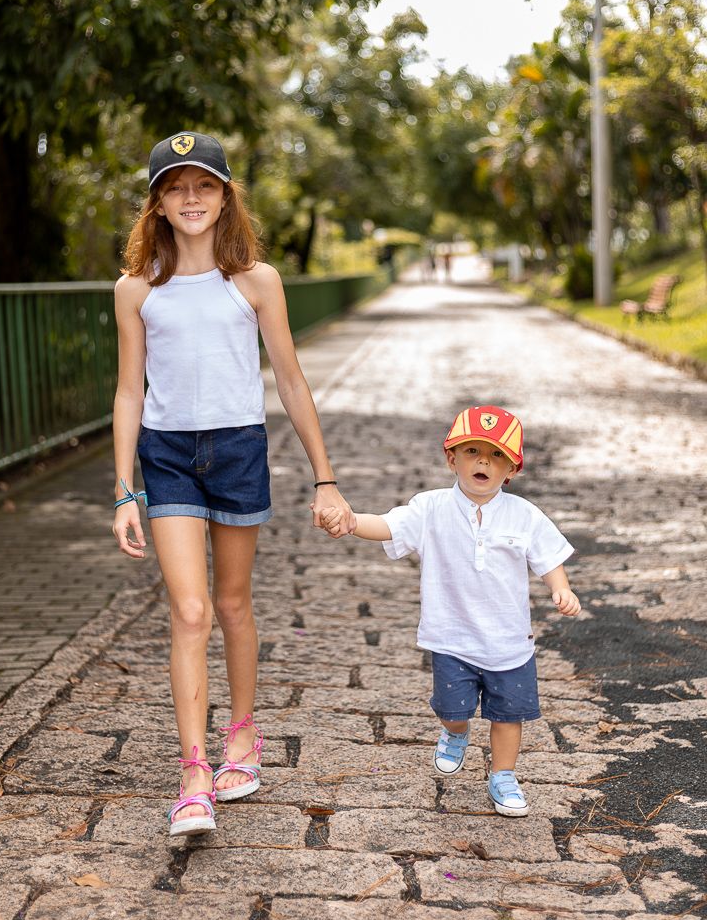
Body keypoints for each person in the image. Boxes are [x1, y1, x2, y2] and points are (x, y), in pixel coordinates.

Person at [112, 131, 354, 837]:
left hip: (240, 447)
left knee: (232, 603)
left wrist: (326, 478)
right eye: (176, 187)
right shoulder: (136, 290)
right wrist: (123, 488)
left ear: (224, 196)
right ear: (158, 201)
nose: (191, 198)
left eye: (205, 186)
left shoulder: (257, 281)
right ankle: (193, 776)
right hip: (167, 455)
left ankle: (241, 740)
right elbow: (130, 391)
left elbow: (289, 377)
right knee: (190, 612)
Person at [318, 405, 580, 818]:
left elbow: (548, 557)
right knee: (452, 708)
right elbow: (390, 525)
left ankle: (504, 775)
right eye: (473, 450)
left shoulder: (524, 515)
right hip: (452, 638)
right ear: (451, 458)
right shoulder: (431, 508)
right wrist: (351, 522)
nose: (483, 461)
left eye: (496, 456)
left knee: (509, 716)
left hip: (509, 643)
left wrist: (560, 589)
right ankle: (454, 734)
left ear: (511, 469)